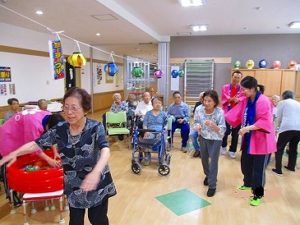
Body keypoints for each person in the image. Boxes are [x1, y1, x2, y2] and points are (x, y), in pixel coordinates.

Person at [0, 87, 117, 225]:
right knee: (75, 221)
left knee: (98, 220)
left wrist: (96, 172)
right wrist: (13, 153)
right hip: (74, 185)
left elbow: (105, 150)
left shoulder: (96, 127)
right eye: (66, 107)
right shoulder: (60, 129)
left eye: (74, 108)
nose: (69, 112)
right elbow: (35, 145)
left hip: (97, 183)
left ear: (85, 110)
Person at [225, 76, 276, 206]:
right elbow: (235, 112)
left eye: (245, 89)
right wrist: (222, 117)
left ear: (253, 89)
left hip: (262, 140)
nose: (243, 92)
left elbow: (265, 121)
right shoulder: (246, 100)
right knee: (246, 164)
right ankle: (247, 183)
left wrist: (248, 128)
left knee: (258, 169)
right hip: (249, 139)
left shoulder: (263, 101)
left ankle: (258, 193)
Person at [193, 90, 226, 197]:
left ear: (215, 102)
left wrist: (213, 125)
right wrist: (197, 127)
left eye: (209, 101)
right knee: (204, 160)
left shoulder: (219, 112)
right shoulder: (199, 109)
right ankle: (208, 175)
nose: (206, 103)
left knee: (213, 162)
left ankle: (212, 185)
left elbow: (222, 129)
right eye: (205, 100)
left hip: (216, 139)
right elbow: (196, 122)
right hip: (203, 137)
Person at [272, 90, 300, 175]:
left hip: (287, 128)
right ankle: (291, 167)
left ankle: (278, 169)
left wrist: (275, 129)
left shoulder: (282, 102)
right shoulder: (298, 103)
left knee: (279, 148)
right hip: (299, 128)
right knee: (293, 148)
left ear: (284, 96)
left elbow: (278, 117)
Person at [221, 70, 244, 158]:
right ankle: (223, 146)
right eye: (235, 77)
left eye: (238, 78)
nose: (236, 79)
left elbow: (243, 97)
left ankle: (233, 150)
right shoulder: (225, 87)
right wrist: (231, 99)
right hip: (227, 112)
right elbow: (224, 96)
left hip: (237, 114)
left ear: (240, 79)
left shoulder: (242, 89)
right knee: (225, 131)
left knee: (235, 133)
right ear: (232, 77)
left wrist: (238, 99)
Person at [142, 97, 167, 165]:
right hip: (150, 131)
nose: (158, 104)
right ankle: (147, 157)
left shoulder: (164, 114)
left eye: (159, 103)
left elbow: (166, 124)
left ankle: (161, 158)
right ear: (152, 104)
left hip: (160, 132)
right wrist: (146, 131)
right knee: (146, 138)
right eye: (156, 103)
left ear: (161, 104)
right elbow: (145, 124)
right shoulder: (148, 113)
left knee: (162, 140)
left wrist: (164, 130)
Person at [191, 92, 204, 157]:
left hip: (206, 127)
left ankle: (202, 151)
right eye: (201, 97)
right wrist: (197, 126)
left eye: (203, 97)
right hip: (197, 125)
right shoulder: (198, 107)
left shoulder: (210, 107)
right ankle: (197, 149)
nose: (201, 99)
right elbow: (195, 118)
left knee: (202, 135)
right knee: (192, 134)